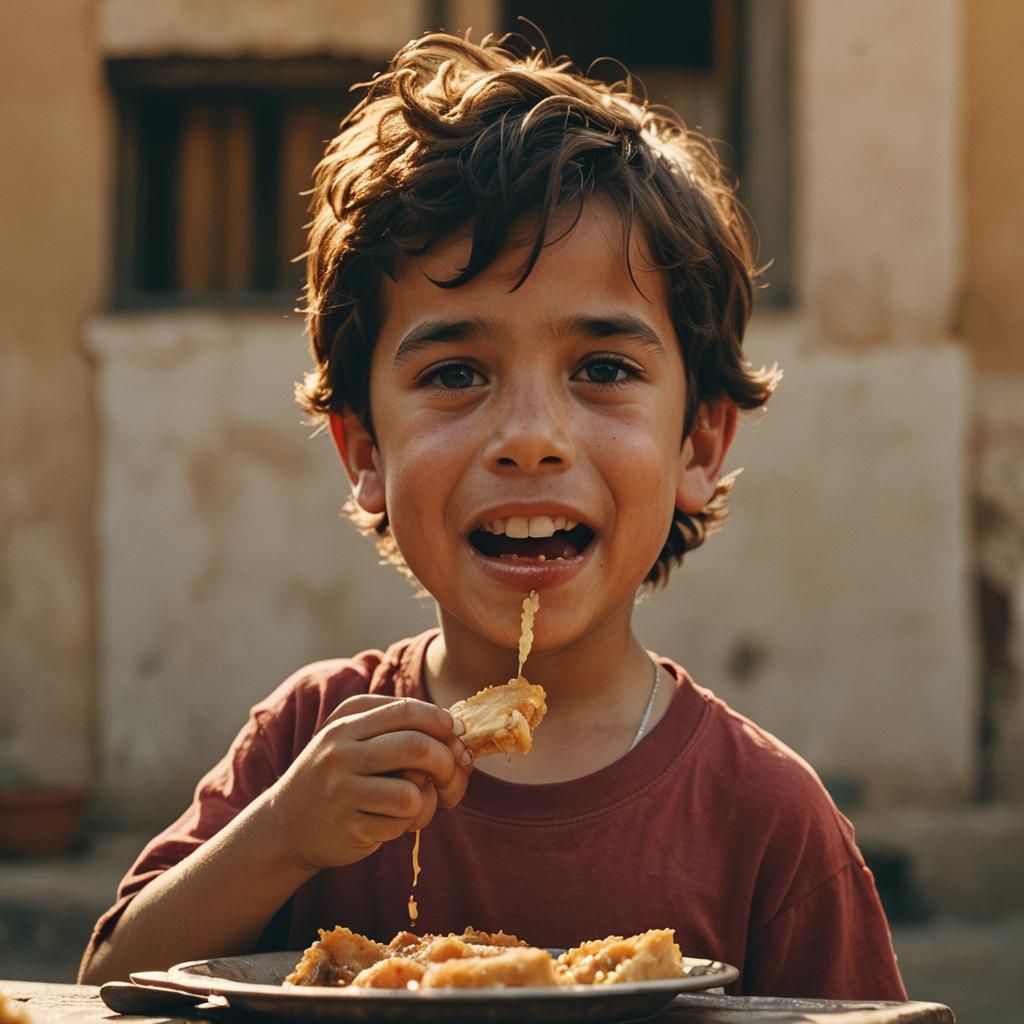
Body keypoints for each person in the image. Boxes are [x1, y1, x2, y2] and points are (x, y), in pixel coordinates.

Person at [80, 31, 906, 999]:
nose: (529, 438)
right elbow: (109, 988)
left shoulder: (762, 816)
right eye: (455, 374)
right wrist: (283, 838)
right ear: (365, 454)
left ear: (698, 444)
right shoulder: (312, 741)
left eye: (603, 368)